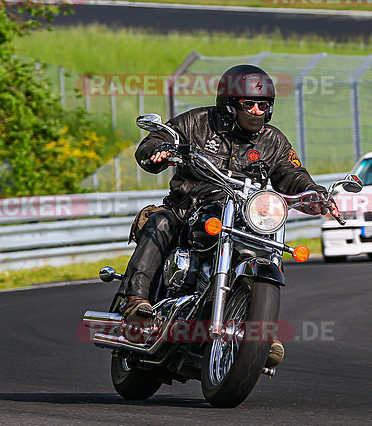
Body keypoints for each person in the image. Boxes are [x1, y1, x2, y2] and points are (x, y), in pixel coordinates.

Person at [118, 64, 340, 368]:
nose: (257, 110)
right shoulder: (198, 122)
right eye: (249, 104)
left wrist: (316, 194)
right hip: (190, 208)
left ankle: (258, 330)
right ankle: (136, 300)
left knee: (266, 245)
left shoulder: (272, 141)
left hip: (243, 214)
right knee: (161, 221)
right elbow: (156, 140)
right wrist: (160, 150)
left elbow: (292, 173)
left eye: (264, 105)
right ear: (230, 105)